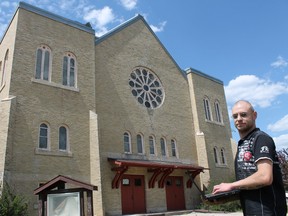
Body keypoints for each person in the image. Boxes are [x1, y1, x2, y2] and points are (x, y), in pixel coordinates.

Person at [212, 100, 287, 216]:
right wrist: (227, 195)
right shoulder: (243, 143)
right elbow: (250, 185)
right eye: (235, 116)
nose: (239, 119)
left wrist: (231, 185)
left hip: (268, 211)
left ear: (254, 115)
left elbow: (265, 177)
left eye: (243, 114)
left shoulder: (261, 139)